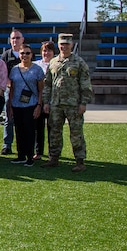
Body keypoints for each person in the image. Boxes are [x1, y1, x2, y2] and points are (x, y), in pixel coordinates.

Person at [42, 33, 93, 172]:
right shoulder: (53, 62)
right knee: (54, 132)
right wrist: (46, 102)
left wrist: (83, 103)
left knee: (76, 133)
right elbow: (47, 84)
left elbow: (85, 84)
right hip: (56, 104)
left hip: (73, 105)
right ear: (58, 45)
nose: (64, 46)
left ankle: (80, 161)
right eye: (62, 44)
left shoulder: (79, 62)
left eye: (67, 44)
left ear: (71, 45)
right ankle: (54, 158)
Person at [8, 44, 45, 167]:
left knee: (30, 131)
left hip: (31, 104)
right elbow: (12, 88)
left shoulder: (37, 70)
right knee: (19, 130)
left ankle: (30, 156)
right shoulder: (14, 69)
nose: (25, 55)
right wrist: (10, 105)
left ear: (32, 54)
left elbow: (41, 89)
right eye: (22, 53)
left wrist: (39, 105)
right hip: (17, 104)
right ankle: (21, 155)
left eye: (27, 53)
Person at [1, 30, 25, 155]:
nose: (15, 40)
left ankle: (23, 145)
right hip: (9, 90)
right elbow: (2, 73)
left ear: (23, 39)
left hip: (24, 92)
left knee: (23, 119)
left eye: (17, 38)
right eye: (13, 38)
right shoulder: (6, 55)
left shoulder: (26, 53)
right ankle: (7, 145)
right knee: (8, 118)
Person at [33, 41, 56, 160]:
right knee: (38, 128)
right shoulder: (35, 65)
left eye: (49, 50)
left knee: (52, 128)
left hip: (53, 101)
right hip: (38, 101)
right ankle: (39, 152)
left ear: (53, 52)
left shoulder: (57, 64)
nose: (46, 53)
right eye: (44, 50)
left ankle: (53, 153)